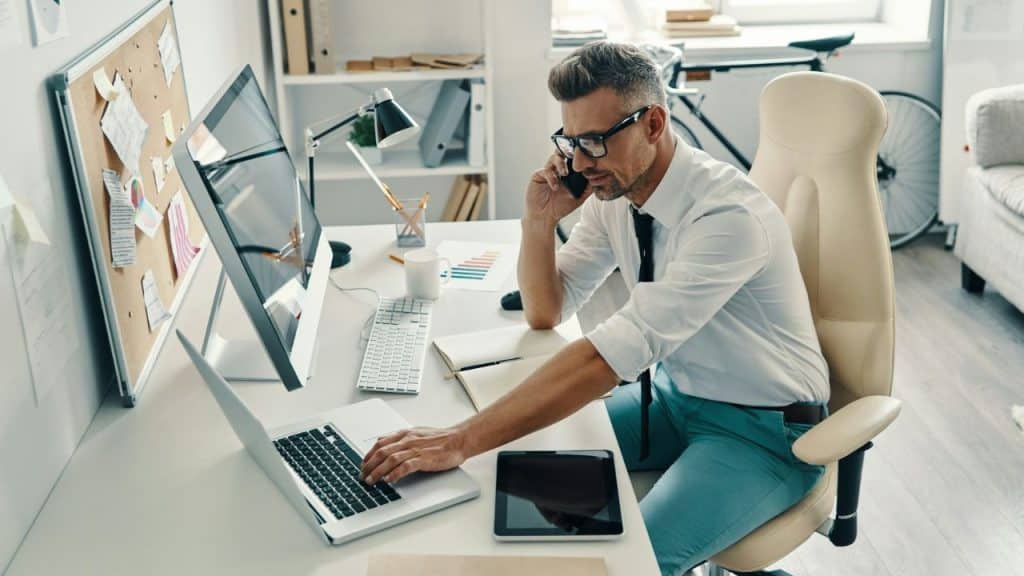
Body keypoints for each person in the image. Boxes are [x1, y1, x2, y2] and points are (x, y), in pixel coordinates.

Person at [361, 41, 830, 575]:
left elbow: (606, 358)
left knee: (627, 563)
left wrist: (459, 439)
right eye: (571, 141)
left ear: (653, 124)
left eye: (595, 142)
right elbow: (547, 311)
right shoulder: (619, 195)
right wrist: (539, 223)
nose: (580, 163)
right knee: (514, 470)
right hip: (676, 403)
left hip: (763, 432)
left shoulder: (726, 218)